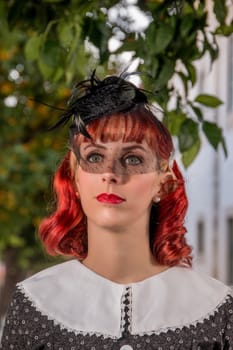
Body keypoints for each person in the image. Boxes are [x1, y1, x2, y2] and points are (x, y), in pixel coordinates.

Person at [1, 71, 232, 350]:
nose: (110, 173)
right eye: (94, 157)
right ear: (73, 178)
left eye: (133, 158)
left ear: (164, 184)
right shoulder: (36, 303)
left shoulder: (216, 308)